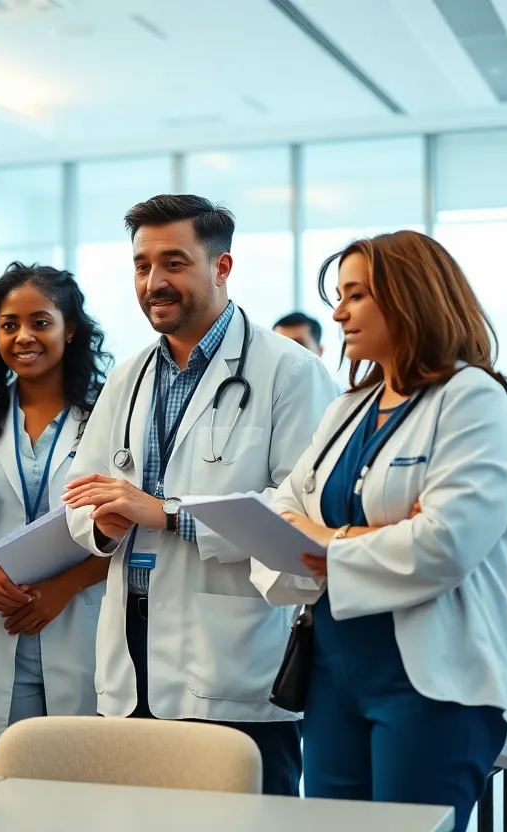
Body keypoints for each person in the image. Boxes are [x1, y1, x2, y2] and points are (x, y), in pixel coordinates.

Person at [63, 194, 337, 796]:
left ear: (223, 267)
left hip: (231, 658)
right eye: (141, 266)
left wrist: (164, 514)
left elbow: (302, 519)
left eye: (175, 263)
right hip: (130, 654)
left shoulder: (289, 372)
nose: (154, 282)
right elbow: (79, 497)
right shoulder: (128, 375)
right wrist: (104, 523)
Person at [252, 231, 507, 831]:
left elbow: (443, 544)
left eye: (356, 295)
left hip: (431, 683)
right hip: (332, 675)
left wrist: (327, 539)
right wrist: (357, 536)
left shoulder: (470, 398)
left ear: (408, 298)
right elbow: (280, 510)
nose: (337, 312)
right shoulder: (348, 407)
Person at [0, 263, 111, 767]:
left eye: (40, 322)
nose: (24, 336)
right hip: (0, 622)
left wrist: (64, 587)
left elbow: (129, 530)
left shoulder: (108, 419)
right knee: (4, 784)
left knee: (85, 789)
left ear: (71, 330)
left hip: (81, 616)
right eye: (9, 325)